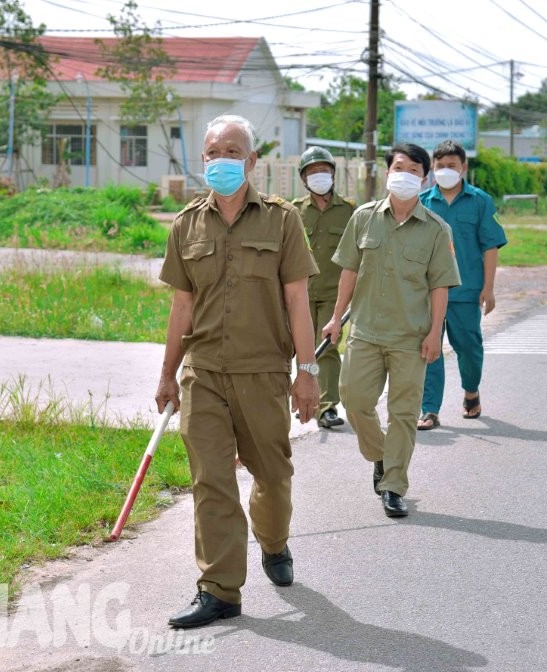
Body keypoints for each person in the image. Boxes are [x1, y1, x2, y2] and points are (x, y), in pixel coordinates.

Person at [155, 114, 320, 629]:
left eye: (231, 152)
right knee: (212, 481)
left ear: (251, 161)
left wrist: (307, 370)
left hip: (263, 373)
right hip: (202, 374)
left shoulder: (282, 219)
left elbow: (298, 301)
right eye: (211, 152)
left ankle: (274, 542)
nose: (220, 160)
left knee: (272, 476)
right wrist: (167, 375)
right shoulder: (185, 225)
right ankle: (220, 589)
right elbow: (182, 308)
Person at [321, 143, 460, 518]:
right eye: (399, 167)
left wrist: (435, 334)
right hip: (365, 331)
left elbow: (440, 286)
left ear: (425, 179)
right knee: (354, 401)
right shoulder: (363, 218)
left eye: (414, 170)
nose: (406, 175)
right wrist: (336, 318)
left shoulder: (435, 229)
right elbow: (348, 271)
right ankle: (381, 456)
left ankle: (394, 484)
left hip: (410, 338)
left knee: (403, 413)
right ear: (387, 173)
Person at [416, 140, 507, 430]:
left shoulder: (480, 201)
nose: (445, 171)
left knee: (468, 347)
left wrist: (488, 288)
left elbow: (490, 246)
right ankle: (429, 409)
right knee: (429, 349)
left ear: (463, 168)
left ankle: (471, 391)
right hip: (428, 293)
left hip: (466, 292)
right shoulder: (422, 202)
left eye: (451, 166)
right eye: (440, 166)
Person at [292, 146, 356, 429]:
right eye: (312, 172)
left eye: (323, 171)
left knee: (327, 347)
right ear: (304, 178)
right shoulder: (293, 211)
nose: (319, 176)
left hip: (334, 294)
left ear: (333, 174)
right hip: (299, 295)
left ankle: (326, 407)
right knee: (299, 348)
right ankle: (302, 396)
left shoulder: (351, 212)